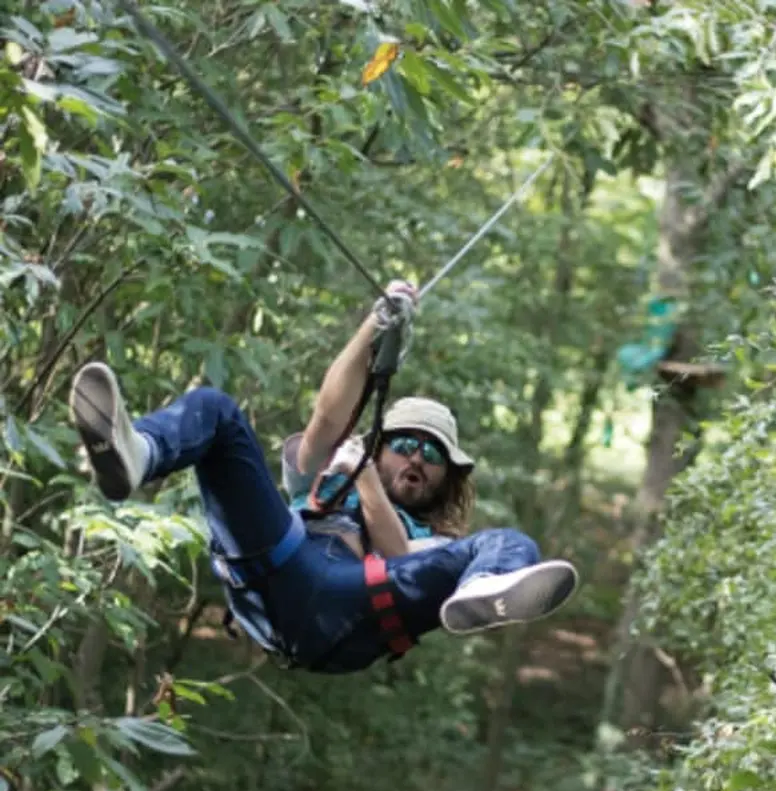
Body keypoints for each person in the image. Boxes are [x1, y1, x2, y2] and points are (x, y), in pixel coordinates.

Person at [68, 281, 579, 674]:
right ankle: (140, 453)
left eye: (432, 455)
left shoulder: (436, 544)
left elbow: (399, 559)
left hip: (355, 608)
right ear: (379, 449)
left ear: (447, 479)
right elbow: (327, 420)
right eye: (403, 445)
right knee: (217, 409)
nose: (416, 459)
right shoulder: (326, 479)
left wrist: (367, 484)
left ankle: (487, 588)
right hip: (280, 564)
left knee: (506, 542)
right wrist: (374, 325)